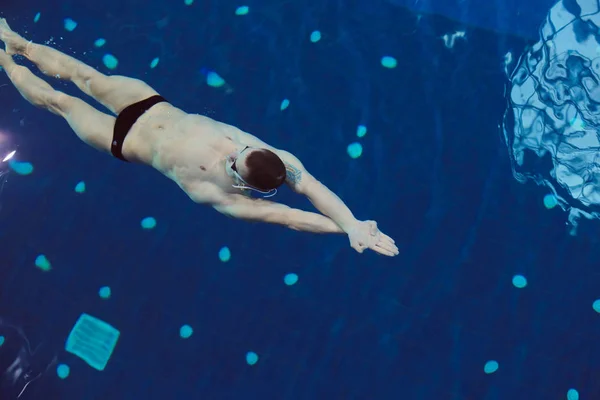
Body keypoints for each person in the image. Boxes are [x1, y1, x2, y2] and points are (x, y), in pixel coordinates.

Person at [0, 18, 398, 257]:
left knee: (58, 102)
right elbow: (310, 186)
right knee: (86, 75)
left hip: (121, 141)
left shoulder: (228, 198)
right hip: (148, 103)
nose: (232, 149)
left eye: (233, 160)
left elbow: (292, 216)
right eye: (241, 148)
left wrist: (347, 231)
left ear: (241, 179)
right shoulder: (273, 156)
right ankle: (15, 41)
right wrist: (352, 220)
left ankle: (3, 59)